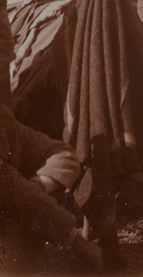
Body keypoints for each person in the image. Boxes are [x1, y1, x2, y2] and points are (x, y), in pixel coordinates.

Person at [0, 104, 102, 271]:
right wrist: (76, 241)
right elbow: (15, 190)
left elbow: (61, 152)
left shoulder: (5, 121)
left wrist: (38, 186)